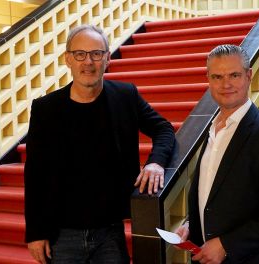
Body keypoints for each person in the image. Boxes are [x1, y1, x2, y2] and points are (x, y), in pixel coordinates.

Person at [24, 24, 175, 264]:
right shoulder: (46, 109)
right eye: (80, 54)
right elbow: (35, 175)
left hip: (110, 232)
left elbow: (163, 129)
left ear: (107, 59)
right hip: (62, 234)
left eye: (96, 54)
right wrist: (35, 232)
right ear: (68, 59)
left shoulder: (125, 96)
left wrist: (156, 162)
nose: (88, 62)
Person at [174, 44, 259, 264]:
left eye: (234, 75)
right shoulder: (212, 130)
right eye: (217, 77)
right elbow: (214, 192)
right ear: (208, 80)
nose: (226, 84)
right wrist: (191, 224)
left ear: (248, 75)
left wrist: (227, 244)